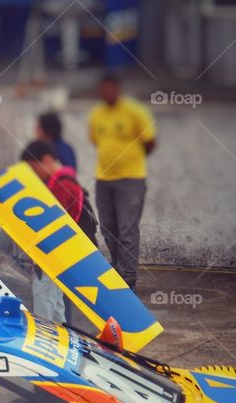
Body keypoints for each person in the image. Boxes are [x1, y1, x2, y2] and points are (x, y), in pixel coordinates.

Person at [88, 74, 156, 292]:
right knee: (109, 228)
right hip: (104, 179)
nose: (107, 93)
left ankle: (128, 279)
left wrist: (131, 162)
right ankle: (118, 270)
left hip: (131, 180)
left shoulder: (134, 112)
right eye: (103, 89)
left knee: (127, 229)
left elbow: (150, 141)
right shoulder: (97, 115)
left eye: (110, 88)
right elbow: (96, 141)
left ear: (117, 89)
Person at [21, 140, 97, 324]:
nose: (34, 174)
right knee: (55, 307)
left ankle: (45, 346)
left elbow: (53, 228)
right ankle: (60, 341)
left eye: (34, 168)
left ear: (46, 160)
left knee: (43, 307)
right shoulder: (63, 181)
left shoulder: (62, 186)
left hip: (54, 256)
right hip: (60, 256)